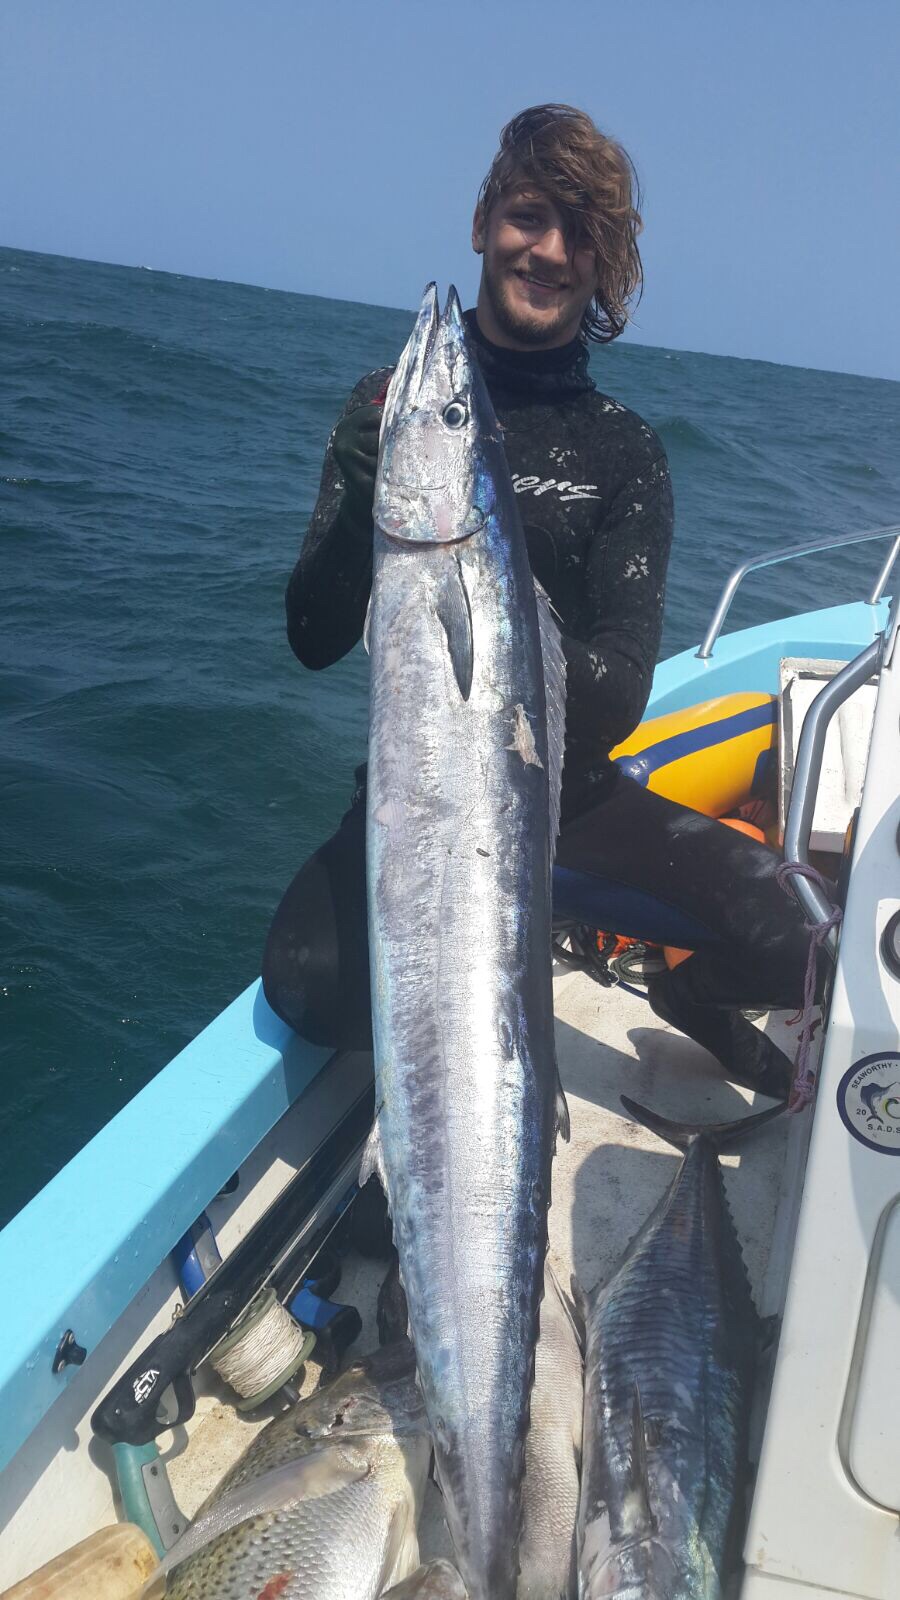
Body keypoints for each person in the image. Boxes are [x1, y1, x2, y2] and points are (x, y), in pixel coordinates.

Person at [263, 103, 814, 1100]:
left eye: (582, 234)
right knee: (310, 983)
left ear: (604, 266)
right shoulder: (397, 408)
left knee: (809, 942)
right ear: (483, 223)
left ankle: (684, 991)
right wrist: (362, 507)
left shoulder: (623, 450)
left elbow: (622, 693)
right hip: (425, 797)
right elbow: (312, 637)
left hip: (575, 804)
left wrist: (498, 613)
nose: (549, 250)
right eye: (528, 216)